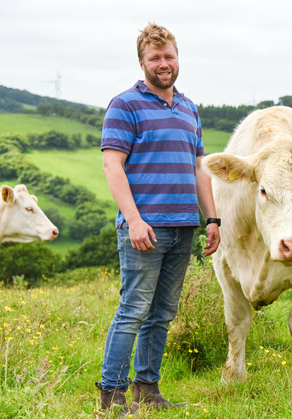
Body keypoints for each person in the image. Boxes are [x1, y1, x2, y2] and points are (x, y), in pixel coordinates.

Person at [96, 23, 221, 414]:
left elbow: (200, 168)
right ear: (142, 62)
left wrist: (212, 218)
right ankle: (112, 396)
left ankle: (146, 390)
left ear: (177, 59)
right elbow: (111, 166)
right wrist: (133, 220)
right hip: (144, 228)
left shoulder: (189, 108)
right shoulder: (125, 104)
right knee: (133, 309)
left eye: (169, 56)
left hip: (184, 227)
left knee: (162, 314)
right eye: (155, 58)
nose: (163, 64)